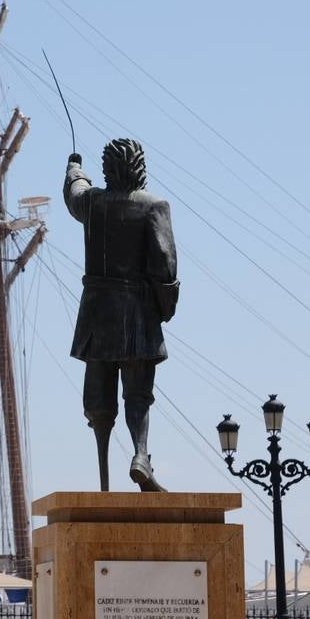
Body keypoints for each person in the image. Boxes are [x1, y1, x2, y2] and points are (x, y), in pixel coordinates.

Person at [63, 139, 179, 492]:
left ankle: (103, 478)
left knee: (99, 400)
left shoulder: (93, 203)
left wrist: (73, 167)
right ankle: (140, 454)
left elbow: (74, 192)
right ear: (140, 165)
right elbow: (165, 262)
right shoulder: (154, 206)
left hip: (98, 313)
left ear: (108, 169)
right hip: (138, 312)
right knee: (138, 394)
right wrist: (165, 304)